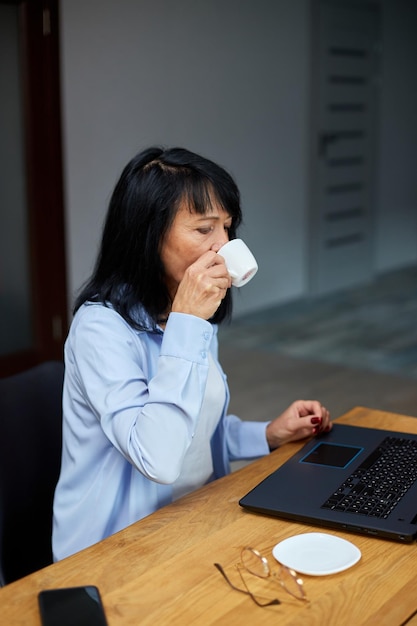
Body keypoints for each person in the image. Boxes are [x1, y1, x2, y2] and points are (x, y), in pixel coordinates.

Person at [52, 146, 332, 560]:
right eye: (204, 229)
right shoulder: (101, 330)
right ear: (147, 236)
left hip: (193, 521)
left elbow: (195, 430)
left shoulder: (185, 315)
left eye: (227, 227)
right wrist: (188, 325)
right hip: (116, 550)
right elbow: (159, 458)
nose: (223, 245)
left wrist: (268, 434)